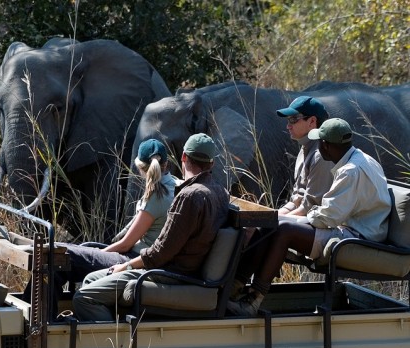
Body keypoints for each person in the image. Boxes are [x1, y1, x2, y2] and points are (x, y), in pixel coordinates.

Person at [228, 118, 391, 316]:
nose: (318, 147)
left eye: (320, 142)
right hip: (359, 228)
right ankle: (236, 286)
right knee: (274, 224)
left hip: (358, 237)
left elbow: (328, 217)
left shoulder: (350, 172)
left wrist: (299, 217)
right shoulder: (361, 158)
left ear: (327, 145)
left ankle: (252, 301)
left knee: (284, 231)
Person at [72, 133, 230, 322]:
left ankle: (112, 347)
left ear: (184, 157)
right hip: (181, 270)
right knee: (90, 280)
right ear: (211, 164)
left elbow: (160, 253)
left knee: (84, 298)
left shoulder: (189, 197)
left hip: (170, 273)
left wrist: (126, 265)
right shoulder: (221, 192)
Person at [60, 138, 178, 279]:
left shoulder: (157, 196)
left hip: (135, 261)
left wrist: (101, 254)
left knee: (63, 255)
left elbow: (125, 245)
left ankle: (32, 300)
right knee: (67, 253)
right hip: (141, 258)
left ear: (140, 168)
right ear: (166, 164)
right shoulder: (175, 185)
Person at [275, 96, 335, 216]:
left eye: (293, 119)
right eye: (288, 120)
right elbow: (296, 200)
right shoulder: (305, 148)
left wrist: (272, 222)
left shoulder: (321, 155)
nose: (288, 126)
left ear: (312, 121)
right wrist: (270, 216)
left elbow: (312, 208)